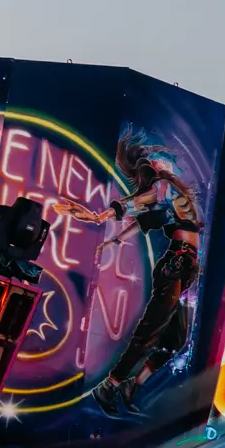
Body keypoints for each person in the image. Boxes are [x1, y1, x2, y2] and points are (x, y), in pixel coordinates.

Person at [92, 149, 202, 418]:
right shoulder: (162, 187)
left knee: (176, 339)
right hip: (175, 264)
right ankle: (110, 385)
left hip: (187, 268)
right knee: (150, 330)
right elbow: (140, 203)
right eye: (163, 158)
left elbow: (146, 220)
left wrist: (115, 240)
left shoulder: (173, 198)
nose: (169, 160)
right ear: (155, 167)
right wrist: (108, 214)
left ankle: (132, 384)